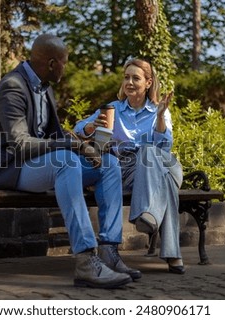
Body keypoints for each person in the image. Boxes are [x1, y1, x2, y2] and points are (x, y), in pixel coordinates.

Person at [0, 34, 141, 288]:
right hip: (11, 168)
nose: (66, 67)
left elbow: (54, 134)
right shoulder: (13, 87)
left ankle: (109, 251)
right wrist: (71, 146)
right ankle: (87, 261)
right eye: (65, 62)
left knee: (108, 164)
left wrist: (85, 144)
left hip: (43, 166)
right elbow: (20, 144)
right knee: (67, 161)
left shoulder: (44, 88)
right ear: (53, 63)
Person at [74, 58, 186, 274]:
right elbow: (79, 128)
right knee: (166, 184)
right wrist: (91, 126)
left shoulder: (158, 110)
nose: (130, 82)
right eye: (126, 77)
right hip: (128, 171)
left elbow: (165, 147)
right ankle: (172, 252)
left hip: (157, 164)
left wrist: (161, 116)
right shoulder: (113, 109)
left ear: (148, 82)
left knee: (149, 151)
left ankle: (147, 213)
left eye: (136, 78)